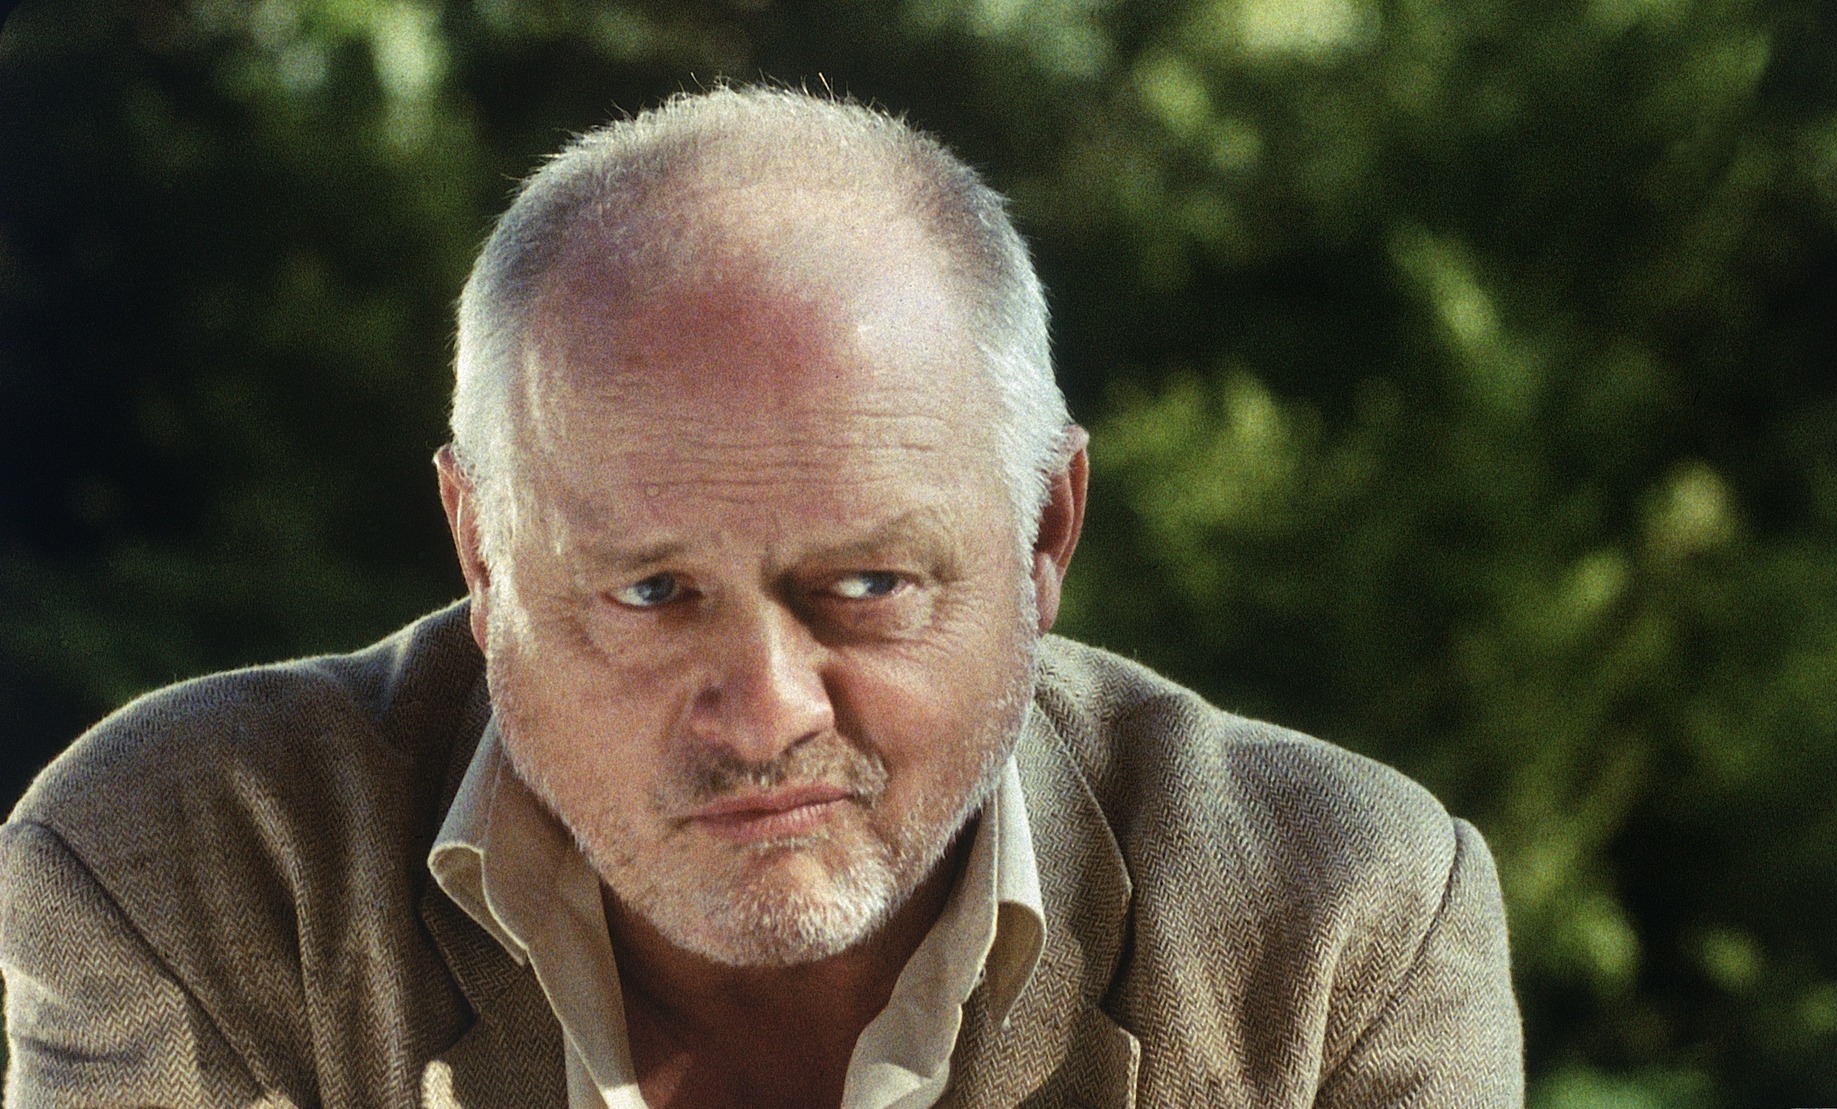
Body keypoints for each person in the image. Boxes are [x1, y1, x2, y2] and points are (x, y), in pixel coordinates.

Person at [0, 87, 1522, 1107]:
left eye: (866, 584)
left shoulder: (1341, 927)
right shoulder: (173, 864)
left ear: (1046, 529)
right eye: (653, 591)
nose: (765, 710)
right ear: (482, 550)